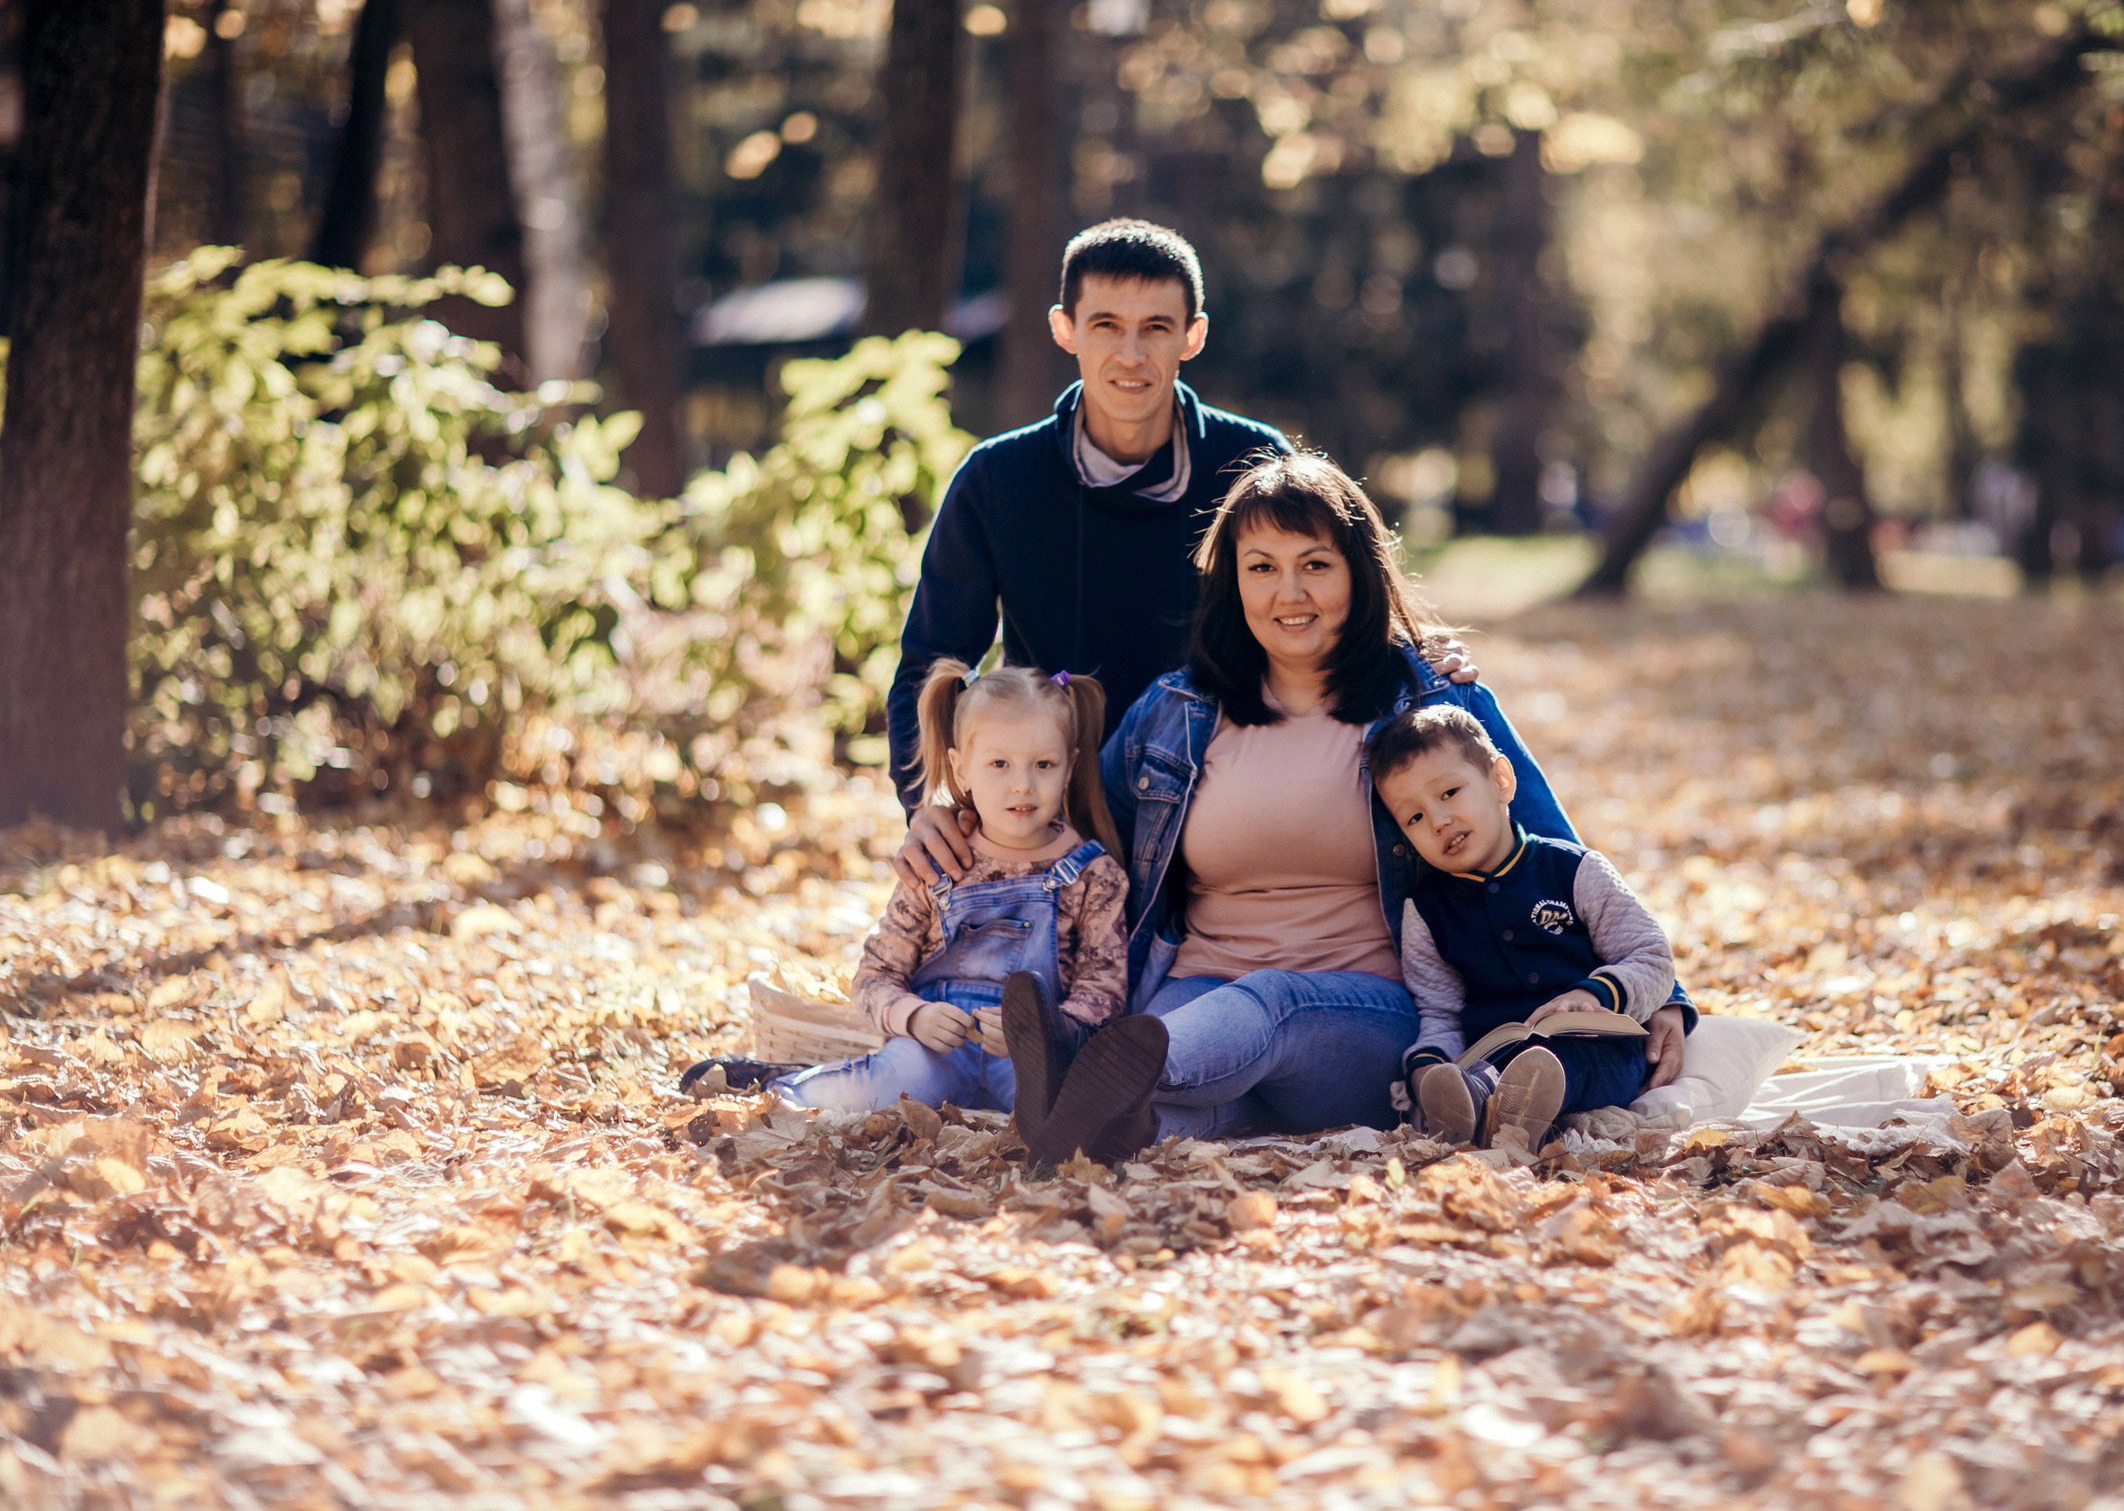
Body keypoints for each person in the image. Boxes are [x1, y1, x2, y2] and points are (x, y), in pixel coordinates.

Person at [1000, 454, 1693, 1165]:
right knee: (1174, 1107)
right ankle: (1089, 1118)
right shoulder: (1176, 710)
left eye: (1315, 565)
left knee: (1266, 1002)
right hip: (1197, 994)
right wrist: (954, 823)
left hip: (1372, 1013)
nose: (1288, 592)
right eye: (1262, 566)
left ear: (1358, 571)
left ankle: (1083, 1061)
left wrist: (1661, 992)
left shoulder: (1430, 701)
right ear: (1232, 578)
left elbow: (1550, 850)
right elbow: (1075, 836)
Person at [885, 217, 1481, 892]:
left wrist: (1417, 655)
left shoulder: (1251, 464)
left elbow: (1323, 597)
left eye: (1156, 328)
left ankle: (1552, 922)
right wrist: (925, 801)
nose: (1131, 354)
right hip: (1052, 805)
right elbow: (930, 667)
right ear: (1065, 329)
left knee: (1464, 705)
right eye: (1106, 324)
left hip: (1228, 789)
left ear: (1192, 335)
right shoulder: (996, 479)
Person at [680, 664, 1130, 1117]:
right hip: (932, 1052)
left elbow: (1104, 992)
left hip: (1029, 1062)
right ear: (961, 768)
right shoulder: (937, 863)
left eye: (1043, 765)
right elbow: (875, 977)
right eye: (999, 763)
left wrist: (1044, 1033)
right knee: (873, 1088)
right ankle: (776, 1090)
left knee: (1070, 1111)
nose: (1022, 784)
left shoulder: (1092, 875)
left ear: (1069, 766)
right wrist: (914, 1016)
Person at [1368, 703, 1676, 1151]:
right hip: (1492, 1055)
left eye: (1449, 792)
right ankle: (1470, 1104)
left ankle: (1516, 1105)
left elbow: (1651, 958)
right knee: (1474, 1073)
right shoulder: (1427, 911)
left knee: (1563, 1059)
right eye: (1414, 818)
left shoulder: (1574, 870)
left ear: (1500, 781)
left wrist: (1593, 995)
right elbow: (1439, 1011)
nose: (1438, 821)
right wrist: (1428, 1066)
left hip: (1595, 1048)